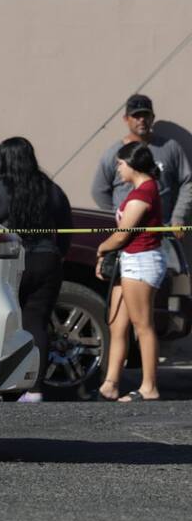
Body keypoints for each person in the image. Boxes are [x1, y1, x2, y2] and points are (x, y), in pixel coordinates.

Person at [0, 137, 72, 402]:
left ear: (5, 161)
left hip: (11, 261)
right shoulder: (51, 189)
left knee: (3, 323)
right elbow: (66, 227)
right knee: (37, 323)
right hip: (46, 260)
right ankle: (35, 389)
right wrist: (58, 254)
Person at [96, 143, 165, 402]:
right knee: (117, 324)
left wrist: (101, 249)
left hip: (142, 261)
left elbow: (122, 234)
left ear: (132, 165)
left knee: (142, 325)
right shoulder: (139, 191)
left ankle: (149, 387)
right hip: (130, 261)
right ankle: (110, 384)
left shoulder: (143, 193)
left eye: (120, 164)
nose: (118, 169)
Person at [91, 94, 191, 229]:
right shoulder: (115, 153)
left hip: (162, 231)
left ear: (152, 118)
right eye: (136, 116)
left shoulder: (170, 148)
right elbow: (99, 190)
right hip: (128, 234)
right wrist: (118, 216)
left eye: (146, 115)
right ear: (126, 119)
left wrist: (178, 217)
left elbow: (187, 182)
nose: (142, 120)